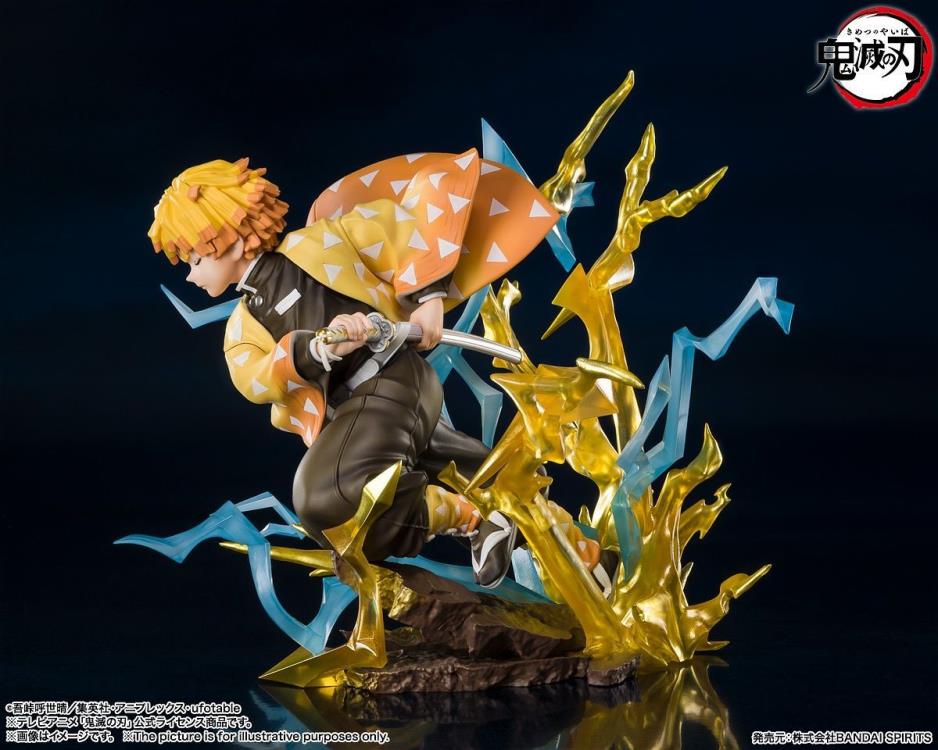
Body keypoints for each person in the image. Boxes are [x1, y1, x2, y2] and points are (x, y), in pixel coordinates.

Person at [148, 150, 565, 587]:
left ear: (231, 241)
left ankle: (469, 520)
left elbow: (400, 228)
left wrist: (428, 299)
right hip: (359, 412)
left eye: (196, 260)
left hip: (392, 379)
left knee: (325, 496)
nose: (191, 275)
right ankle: (580, 553)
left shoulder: (320, 243)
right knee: (486, 474)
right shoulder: (242, 325)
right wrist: (315, 348)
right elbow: (254, 380)